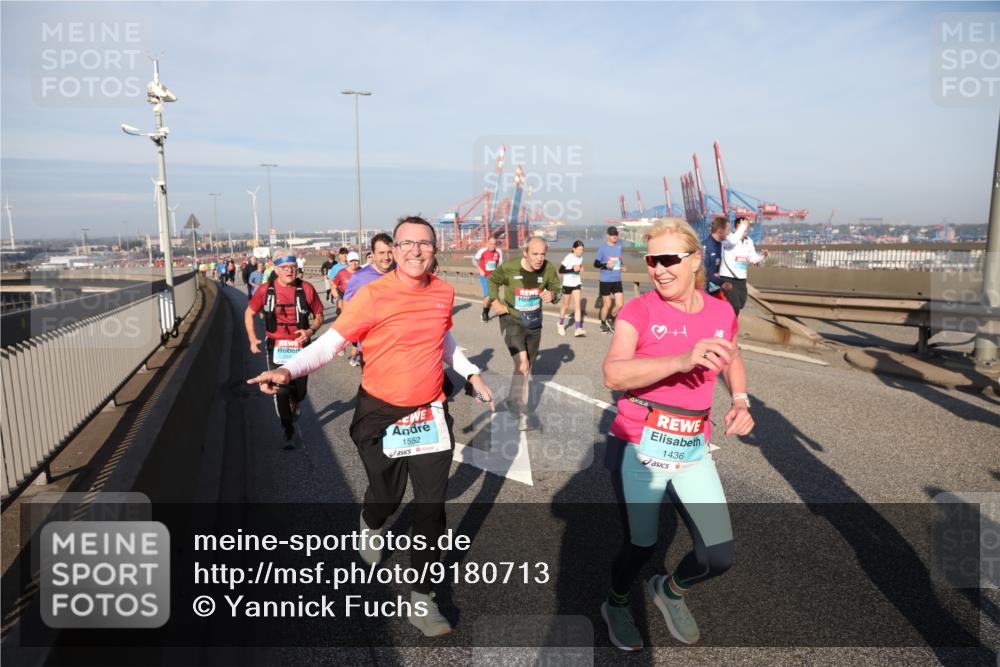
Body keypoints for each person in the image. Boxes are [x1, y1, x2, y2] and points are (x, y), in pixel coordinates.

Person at [247, 216, 494, 637]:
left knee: (431, 508)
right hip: (380, 414)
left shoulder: (443, 291)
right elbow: (330, 344)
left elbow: (443, 340)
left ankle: (422, 597)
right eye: (407, 243)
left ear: (436, 250)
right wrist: (287, 371)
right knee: (386, 495)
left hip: (430, 413)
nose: (416, 251)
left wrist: (470, 373)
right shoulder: (374, 295)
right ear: (394, 251)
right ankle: (372, 523)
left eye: (425, 243)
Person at [599, 217, 754, 652]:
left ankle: (669, 590)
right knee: (639, 544)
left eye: (668, 259)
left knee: (718, 555)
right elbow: (613, 373)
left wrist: (740, 400)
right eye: (652, 261)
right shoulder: (640, 310)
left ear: (694, 260)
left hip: (692, 446)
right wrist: (680, 360)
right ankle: (616, 600)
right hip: (638, 443)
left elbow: (732, 356)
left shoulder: (721, 310)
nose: (659, 269)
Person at [244, 255, 324, 446]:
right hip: (277, 347)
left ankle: (295, 401)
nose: (290, 270)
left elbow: (319, 316)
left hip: (301, 347)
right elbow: (249, 313)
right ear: (276, 269)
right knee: (281, 391)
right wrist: (252, 339)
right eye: (285, 267)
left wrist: (310, 330)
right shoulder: (265, 290)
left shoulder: (306, 289)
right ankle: (287, 428)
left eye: (293, 267)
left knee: (300, 392)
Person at [487, 235, 561, 430]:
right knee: (522, 364)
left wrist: (552, 295)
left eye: (542, 254)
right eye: (535, 254)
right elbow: (493, 280)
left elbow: (557, 288)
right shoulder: (510, 268)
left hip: (534, 323)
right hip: (511, 320)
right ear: (525, 253)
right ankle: (522, 413)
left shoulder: (548, 269)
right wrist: (496, 302)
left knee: (524, 369)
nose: (539, 258)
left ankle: (512, 399)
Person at [344, 233, 396, 368]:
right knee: (372, 388)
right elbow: (347, 306)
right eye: (381, 253)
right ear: (372, 254)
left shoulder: (401, 272)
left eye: (390, 252)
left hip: (398, 346)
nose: (386, 257)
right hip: (370, 347)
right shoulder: (359, 277)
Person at [719, 216, 768, 317]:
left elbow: (753, 258)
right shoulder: (728, 238)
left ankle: (722, 318)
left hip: (741, 279)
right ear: (735, 229)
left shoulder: (748, 241)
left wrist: (763, 255)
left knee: (741, 303)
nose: (743, 232)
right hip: (728, 278)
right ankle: (728, 328)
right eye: (741, 229)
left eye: (745, 230)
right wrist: (743, 225)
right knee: (735, 306)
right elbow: (733, 241)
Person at [595, 226, 626, 333]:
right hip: (605, 280)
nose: (615, 236)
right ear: (608, 235)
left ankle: (611, 319)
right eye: (612, 234)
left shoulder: (619, 246)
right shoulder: (603, 248)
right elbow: (596, 263)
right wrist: (605, 265)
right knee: (607, 304)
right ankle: (603, 323)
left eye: (616, 234)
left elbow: (619, 260)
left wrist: (622, 266)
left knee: (620, 304)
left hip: (617, 280)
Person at [334, 252, 362, 363]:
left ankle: (354, 356)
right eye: (351, 261)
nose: (354, 263)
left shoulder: (363, 272)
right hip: (344, 304)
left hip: (359, 305)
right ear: (348, 262)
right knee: (345, 328)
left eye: (356, 261)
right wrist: (338, 298)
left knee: (358, 332)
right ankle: (342, 346)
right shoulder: (341, 273)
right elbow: (334, 286)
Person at [557, 240, 586, 337]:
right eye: (579, 249)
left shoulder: (581, 257)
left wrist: (581, 268)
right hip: (567, 284)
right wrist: (573, 269)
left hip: (576, 283)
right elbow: (561, 270)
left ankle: (578, 328)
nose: (581, 251)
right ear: (574, 249)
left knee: (577, 306)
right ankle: (561, 324)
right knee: (566, 305)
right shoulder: (569, 257)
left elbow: (578, 268)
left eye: (582, 249)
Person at [473, 233, 503, 323]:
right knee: (489, 295)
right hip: (485, 277)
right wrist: (479, 269)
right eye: (491, 244)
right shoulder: (482, 251)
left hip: (494, 278)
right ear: (487, 243)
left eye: (494, 244)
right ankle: (484, 313)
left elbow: (500, 263)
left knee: (493, 296)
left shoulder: (498, 252)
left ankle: (485, 312)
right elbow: (473, 260)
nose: (492, 246)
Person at [702, 216, 730, 300]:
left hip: (715, 288)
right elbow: (703, 272)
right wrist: (722, 283)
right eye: (728, 230)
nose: (729, 233)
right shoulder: (705, 247)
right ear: (720, 231)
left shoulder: (721, 246)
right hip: (704, 290)